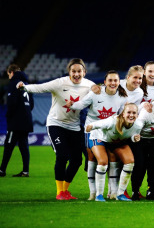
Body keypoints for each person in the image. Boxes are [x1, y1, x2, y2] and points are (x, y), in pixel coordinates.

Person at [18, 58, 94, 200]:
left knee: (77, 160)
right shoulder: (59, 83)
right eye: (73, 71)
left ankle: (65, 191)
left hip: (75, 127)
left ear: (84, 72)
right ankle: (60, 192)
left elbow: (102, 95)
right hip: (56, 124)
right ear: (69, 72)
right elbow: (40, 87)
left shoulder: (90, 86)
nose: (76, 74)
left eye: (79, 71)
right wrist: (24, 87)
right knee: (62, 155)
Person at [66, 70, 128, 200]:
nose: (113, 83)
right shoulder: (95, 93)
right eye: (110, 80)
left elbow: (122, 116)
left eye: (115, 80)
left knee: (113, 159)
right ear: (104, 82)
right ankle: (93, 193)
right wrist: (72, 104)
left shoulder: (122, 97)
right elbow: (82, 104)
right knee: (93, 159)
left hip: (110, 131)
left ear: (119, 82)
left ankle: (112, 192)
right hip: (92, 130)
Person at [85, 103, 141, 201]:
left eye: (134, 113)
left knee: (130, 162)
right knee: (103, 162)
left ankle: (119, 194)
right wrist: (90, 126)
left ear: (137, 115)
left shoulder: (138, 125)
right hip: (99, 137)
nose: (131, 115)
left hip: (115, 141)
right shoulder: (112, 121)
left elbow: (130, 135)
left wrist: (134, 138)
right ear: (123, 114)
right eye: (129, 112)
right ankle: (99, 195)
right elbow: (99, 124)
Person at [0, 64, 34, 178]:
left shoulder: (13, 84)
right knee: (24, 145)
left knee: (8, 145)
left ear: (11, 73)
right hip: (27, 120)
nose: (8, 76)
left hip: (16, 121)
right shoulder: (27, 85)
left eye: (8, 74)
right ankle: (25, 171)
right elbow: (32, 105)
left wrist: (9, 116)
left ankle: (2, 170)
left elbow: (12, 103)